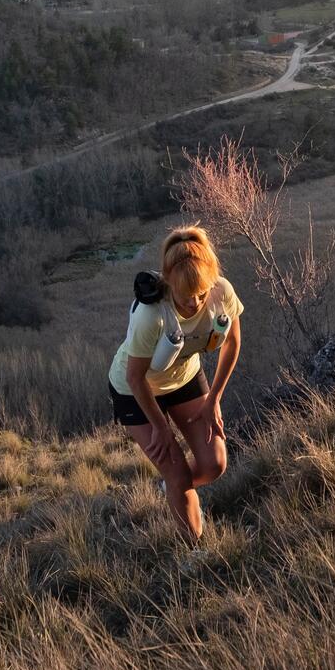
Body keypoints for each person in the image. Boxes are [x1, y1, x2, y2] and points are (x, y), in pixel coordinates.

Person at [108, 226, 244, 544]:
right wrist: (161, 427)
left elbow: (232, 342)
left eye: (202, 293)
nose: (195, 302)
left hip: (183, 378)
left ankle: (173, 491)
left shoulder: (221, 291)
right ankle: (193, 552)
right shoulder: (151, 315)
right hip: (135, 390)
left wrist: (214, 400)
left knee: (214, 464)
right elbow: (134, 377)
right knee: (178, 472)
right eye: (186, 296)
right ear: (169, 283)